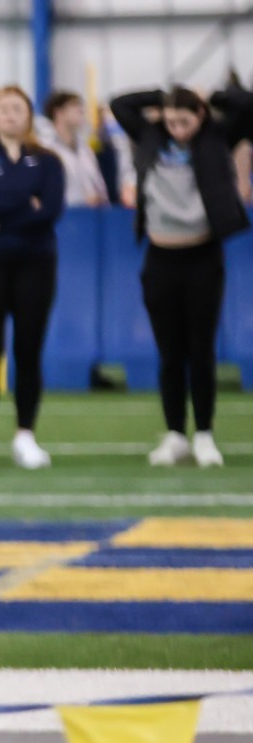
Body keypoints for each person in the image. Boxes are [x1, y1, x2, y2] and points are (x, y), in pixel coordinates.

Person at [112, 83, 253, 468]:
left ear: (201, 116)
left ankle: (204, 434)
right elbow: (120, 103)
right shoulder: (150, 134)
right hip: (160, 257)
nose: (177, 129)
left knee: (201, 350)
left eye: (185, 121)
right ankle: (175, 434)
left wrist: (213, 97)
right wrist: (162, 97)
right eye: (171, 121)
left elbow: (247, 105)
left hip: (203, 257)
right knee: (170, 352)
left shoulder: (217, 136)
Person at [0, 87, 65, 471]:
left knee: (28, 349)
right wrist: (24, 203)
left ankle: (25, 435)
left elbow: (50, 210)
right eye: (2, 109)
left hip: (36, 263)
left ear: (29, 115)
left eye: (17, 108)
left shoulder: (49, 161)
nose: (9, 115)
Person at [39, 90, 107, 207]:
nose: (81, 110)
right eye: (75, 105)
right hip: (63, 217)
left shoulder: (85, 150)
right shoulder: (45, 149)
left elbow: (99, 185)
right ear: (58, 112)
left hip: (91, 217)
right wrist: (81, 202)